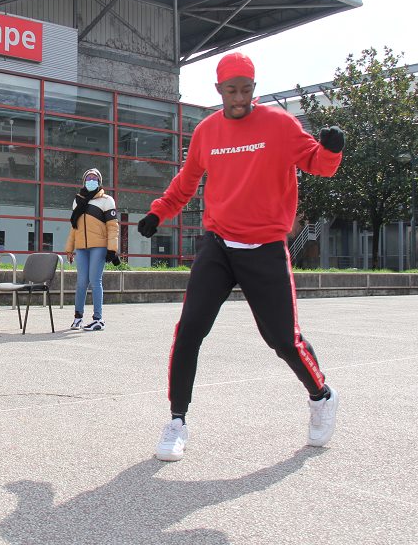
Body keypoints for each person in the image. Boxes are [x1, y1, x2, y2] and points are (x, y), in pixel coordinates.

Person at [138, 53, 346, 461]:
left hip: (265, 246)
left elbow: (318, 165)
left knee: (283, 340)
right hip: (218, 245)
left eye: (246, 90)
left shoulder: (280, 125)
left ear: (254, 88)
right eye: (231, 91)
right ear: (219, 91)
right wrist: (159, 211)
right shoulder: (206, 132)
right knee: (189, 330)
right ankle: (177, 421)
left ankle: (321, 396)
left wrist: (332, 149)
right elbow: (186, 182)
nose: (239, 98)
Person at [64, 168, 119, 331]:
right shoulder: (77, 201)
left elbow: (112, 227)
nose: (91, 180)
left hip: (99, 247)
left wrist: (112, 249)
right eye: (88, 177)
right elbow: (74, 227)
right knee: (81, 282)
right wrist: (69, 248)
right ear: (84, 181)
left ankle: (98, 319)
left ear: (99, 181)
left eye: (95, 178)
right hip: (81, 247)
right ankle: (78, 318)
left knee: (95, 281)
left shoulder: (107, 200)